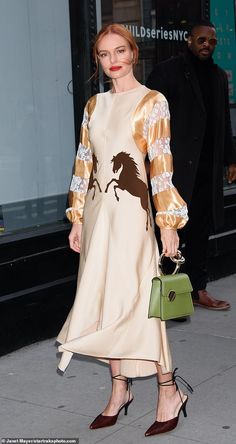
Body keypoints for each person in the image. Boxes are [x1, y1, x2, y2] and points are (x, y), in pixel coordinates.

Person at [57, 24, 192, 437]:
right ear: (97, 61)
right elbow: (84, 164)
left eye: (119, 51)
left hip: (133, 219)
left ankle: (168, 391)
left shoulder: (152, 102)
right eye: (103, 54)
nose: (112, 59)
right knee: (103, 306)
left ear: (133, 53)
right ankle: (120, 392)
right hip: (98, 218)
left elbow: (161, 167)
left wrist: (169, 226)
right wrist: (77, 216)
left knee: (138, 308)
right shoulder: (94, 106)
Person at [146, 20, 236, 312]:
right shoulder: (167, 71)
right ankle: (168, 298)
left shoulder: (220, 77)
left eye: (211, 41)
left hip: (207, 171)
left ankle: (198, 289)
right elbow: (149, 118)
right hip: (175, 170)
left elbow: (223, 120)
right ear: (188, 40)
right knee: (171, 232)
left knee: (200, 231)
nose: (206, 45)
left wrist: (230, 159)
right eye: (200, 40)